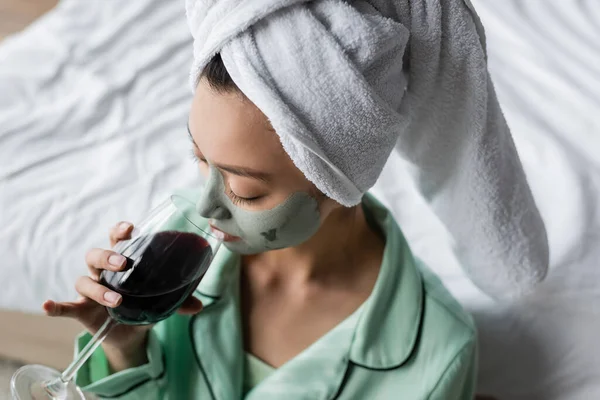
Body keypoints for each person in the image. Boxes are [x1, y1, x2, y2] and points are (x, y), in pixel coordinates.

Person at [43, 54, 477, 399]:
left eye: (245, 190)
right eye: (200, 158)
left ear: (343, 181)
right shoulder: (178, 243)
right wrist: (126, 348)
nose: (207, 206)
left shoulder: (439, 356)